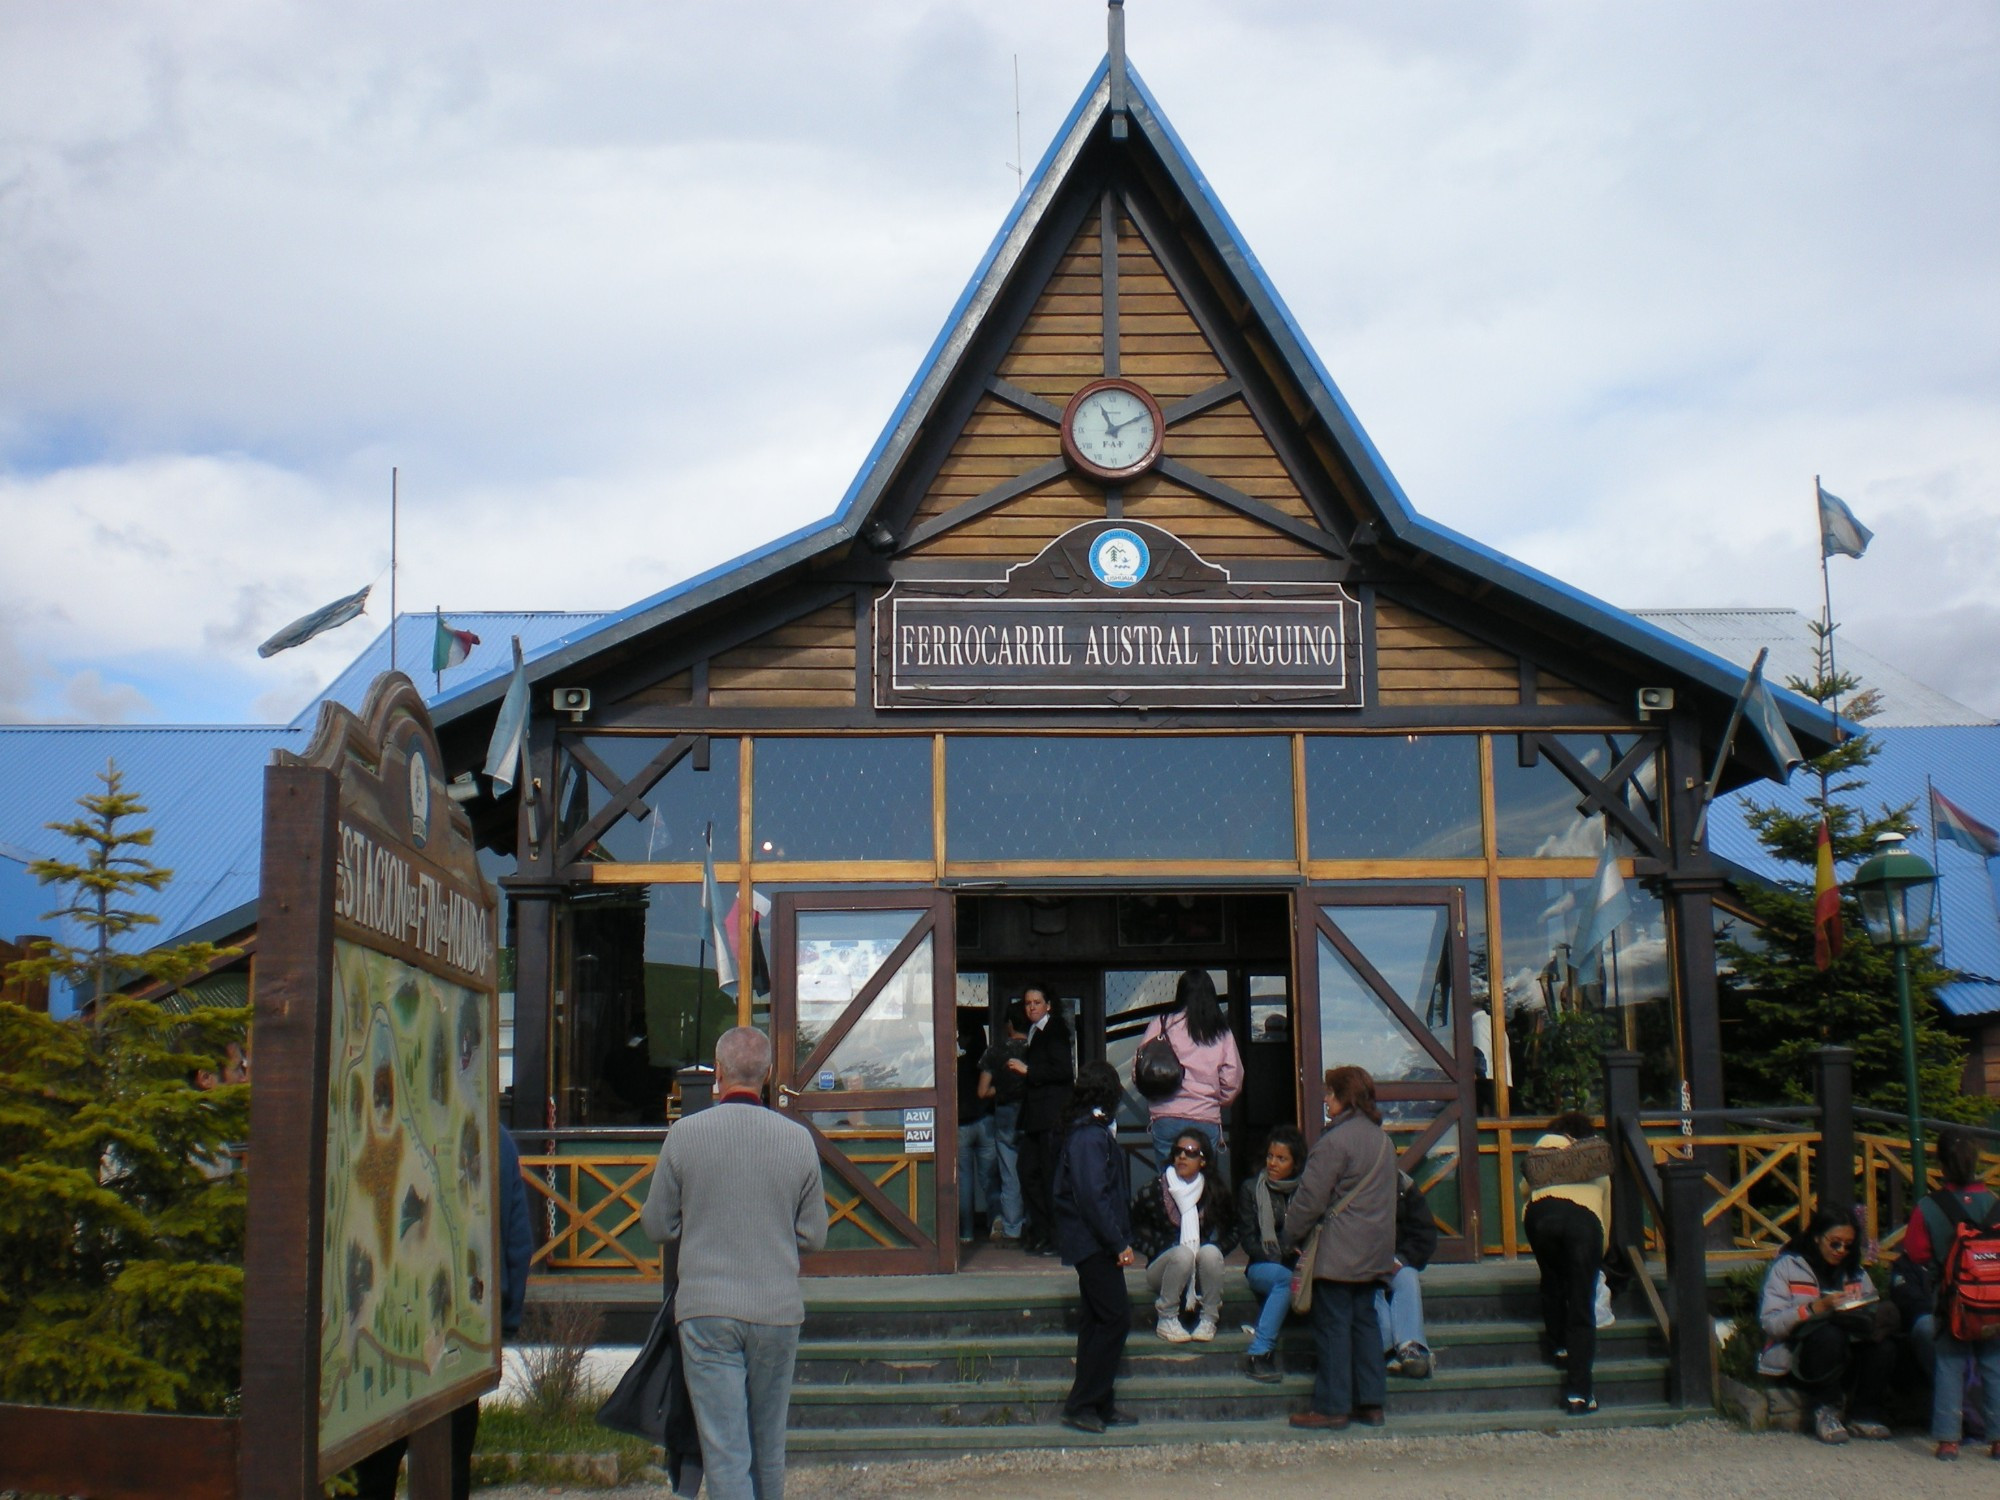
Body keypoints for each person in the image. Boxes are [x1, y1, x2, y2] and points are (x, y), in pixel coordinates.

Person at [641, 1027, 828, 1500]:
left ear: (718, 1074)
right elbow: (815, 1236)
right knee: (768, 1446)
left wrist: (700, 1222)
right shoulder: (798, 1141)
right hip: (777, 1310)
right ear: (766, 1077)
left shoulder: (685, 1136)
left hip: (706, 1310)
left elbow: (657, 1226)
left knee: (725, 1450)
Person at [350, 1125, 534, 1500]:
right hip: (460, 1333)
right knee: (449, 1472)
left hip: (382, 1333)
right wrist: (504, 1319)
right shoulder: (495, 1138)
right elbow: (518, 1241)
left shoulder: (375, 1127)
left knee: (370, 1473)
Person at [1284, 1066, 1398, 1431]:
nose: (1326, 1101)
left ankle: (1332, 1406)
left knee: (1333, 1328)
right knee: (1365, 1324)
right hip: (1373, 1251)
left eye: (1330, 1094)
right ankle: (1371, 1402)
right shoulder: (1384, 1142)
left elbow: (1310, 1199)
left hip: (1338, 1252)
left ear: (1342, 1097)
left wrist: (1290, 1234)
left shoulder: (1334, 1141)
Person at [1758, 1204, 1899, 1445]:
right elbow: (1771, 1322)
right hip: (1799, 1353)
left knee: (1883, 1346)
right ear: (1816, 1238)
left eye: (1848, 1245)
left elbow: (1871, 1301)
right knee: (1828, 1335)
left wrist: (1866, 1313)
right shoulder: (1788, 1267)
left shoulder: (1855, 1272)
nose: (1841, 1250)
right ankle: (1826, 1411)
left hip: (1849, 1346)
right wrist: (1814, 1309)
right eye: (1835, 1243)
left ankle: (1864, 1415)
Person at [1050, 1060, 1140, 1436]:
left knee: (1096, 1319)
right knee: (1114, 1317)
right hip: (1093, 1242)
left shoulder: (1086, 1131)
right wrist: (1117, 1241)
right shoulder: (1091, 1136)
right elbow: (1092, 1196)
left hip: (1088, 1241)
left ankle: (1097, 1402)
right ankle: (1084, 1402)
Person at [1899, 1127, 2000, 1460]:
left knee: (1949, 1364)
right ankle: (1998, 1439)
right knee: (1994, 1363)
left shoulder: (1929, 1206)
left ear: (1940, 1163)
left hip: (1952, 1300)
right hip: (1993, 1300)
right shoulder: (1994, 1203)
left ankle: (1948, 1440)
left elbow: (1915, 1253)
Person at [1522, 1110, 1610, 1416]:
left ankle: (1558, 1346)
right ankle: (1579, 1394)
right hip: (1584, 1222)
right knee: (1581, 1305)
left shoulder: (1543, 1149)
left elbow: (1524, 1188)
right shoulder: (1595, 1158)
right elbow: (1605, 1210)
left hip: (1540, 1216)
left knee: (1552, 1279)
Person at [1130, 1127, 1239, 1343]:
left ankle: (1208, 1319)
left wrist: (1216, 1247)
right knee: (1181, 1254)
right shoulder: (1154, 1190)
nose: (1182, 1156)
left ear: (1203, 1160)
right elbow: (1130, 1227)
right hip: (1164, 1269)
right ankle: (1167, 1318)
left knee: (1209, 1252)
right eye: (1178, 1151)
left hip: (1199, 1269)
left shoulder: (1213, 1191)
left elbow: (1235, 1228)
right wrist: (1160, 1247)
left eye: (1190, 1152)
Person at [1134, 969, 1243, 1177]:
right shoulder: (1220, 1031)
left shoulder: (1162, 1023)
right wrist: (1215, 1100)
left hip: (1166, 1116)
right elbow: (1233, 1079)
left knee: (1168, 1185)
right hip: (1205, 1117)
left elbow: (1138, 1069)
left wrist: (1155, 1092)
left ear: (1180, 993)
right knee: (1203, 1184)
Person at [1237, 1124, 1307, 1382]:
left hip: (1302, 1263)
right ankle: (1259, 1354)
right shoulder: (1251, 1189)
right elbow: (1249, 1240)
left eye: (1281, 1158)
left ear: (1296, 1163)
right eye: (1270, 1156)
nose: (1273, 1163)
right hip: (1263, 1265)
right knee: (1284, 1279)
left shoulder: (1306, 1191)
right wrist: (1282, 1254)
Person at [1009, 986, 1073, 1255]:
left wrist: (1029, 1070)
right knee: (1028, 1172)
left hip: (1051, 1116)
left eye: (1037, 1002)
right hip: (1037, 1117)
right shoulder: (1036, 1031)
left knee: (1049, 1176)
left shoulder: (1055, 1029)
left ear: (1049, 1005)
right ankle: (1044, 1231)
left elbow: (1063, 1070)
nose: (1031, 1007)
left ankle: (1057, 1237)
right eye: (1027, 1003)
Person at [1377, 1167, 1438, 1379]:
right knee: (1368, 1289)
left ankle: (1410, 1347)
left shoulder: (1404, 1185)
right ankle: (1386, 1349)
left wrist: (1401, 1259)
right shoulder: (1349, 1184)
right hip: (1362, 1264)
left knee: (1408, 1278)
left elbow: (1424, 1234)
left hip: (1396, 1260)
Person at [977, 1002, 1030, 1246]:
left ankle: (1012, 1228)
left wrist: (1001, 1089)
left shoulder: (996, 1051)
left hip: (1006, 1114)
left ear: (1009, 1025)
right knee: (1034, 1171)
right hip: (1032, 1114)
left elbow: (982, 1091)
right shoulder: (1035, 1049)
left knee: (1009, 1175)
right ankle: (1035, 1224)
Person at [955, 1013, 998, 1244]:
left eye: (961, 1034)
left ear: (968, 1037)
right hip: (986, 1122)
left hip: (961, 1125)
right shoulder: (988, 1062)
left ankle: (967, 1232)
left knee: (964, 1180)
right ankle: (996, 1225)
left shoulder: (957, 1066)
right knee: (990, 1178)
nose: (958, 1039)